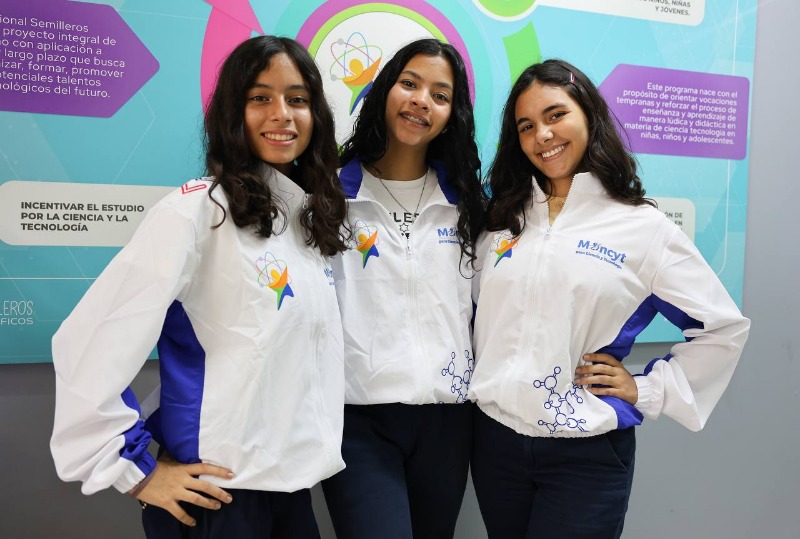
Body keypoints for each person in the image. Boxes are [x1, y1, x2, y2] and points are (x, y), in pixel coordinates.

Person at [50, 35, 348, 538]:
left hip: (291, 490)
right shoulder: (196, 211)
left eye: (297, 99)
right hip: (217, 497)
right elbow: (89, 341)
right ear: (233, 112)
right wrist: (136, 471)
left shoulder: (307, 221)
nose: (282, 114)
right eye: (260, 97)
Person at [469, 59, 750, 539]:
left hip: (584, 452)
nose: (542, 135)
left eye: (556, 115)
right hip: (495, 445)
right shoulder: (502, 219)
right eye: (526, 126)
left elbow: (722, 327)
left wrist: (646, 389)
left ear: (588, 115)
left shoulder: (641, 227)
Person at [320, 38, 486, 539]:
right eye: (409, 84)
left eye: (440, 94)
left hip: (449, 423)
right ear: (383, 91)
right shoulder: (330, 198)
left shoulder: (470, 206)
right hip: (358, 420)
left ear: (452, 115)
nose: (421, 101)